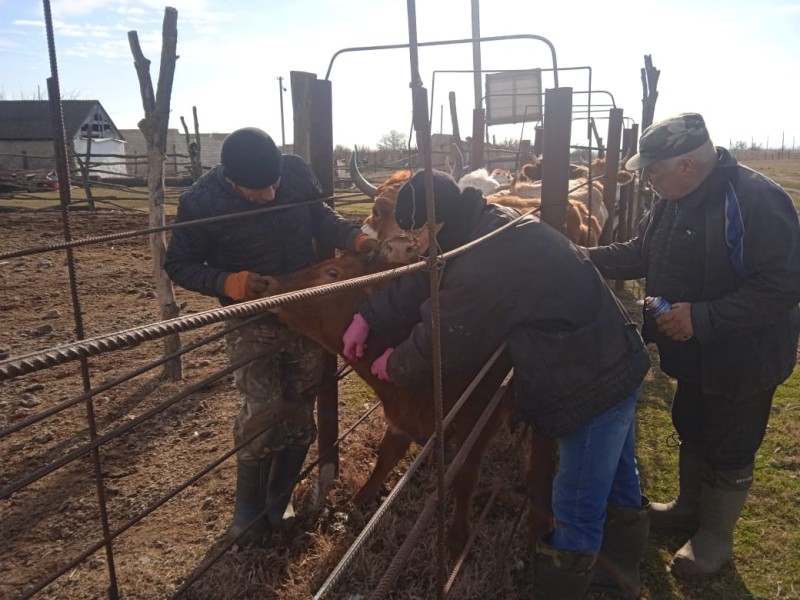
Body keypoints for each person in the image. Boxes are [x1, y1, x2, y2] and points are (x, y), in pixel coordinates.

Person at [341, 170, 652, 599]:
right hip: (611, 355)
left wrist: (395, 365)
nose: (411, 244)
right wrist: (370, 315)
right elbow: (428, 274)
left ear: (435, 226)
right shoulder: (484, 224)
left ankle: (581, 590)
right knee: (617, 477)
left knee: (576, 502)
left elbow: (443, 336)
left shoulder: (486, 264)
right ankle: (625, 573)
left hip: (588, 377)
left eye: (415, 233)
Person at [585, 112, 800, 580]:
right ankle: (687, 508)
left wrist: (701, 317)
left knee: (732, 439)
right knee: (694, 422)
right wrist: (581, 257)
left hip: (745, 355)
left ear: (686, 164)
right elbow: (643, 251)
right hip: (695, 352)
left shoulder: (756, 199)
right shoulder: (671, 199)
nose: (646, 177)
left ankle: (716, 538)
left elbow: (782, 285)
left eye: (653, 168)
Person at [164, 127, 378, 546]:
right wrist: (230, 282)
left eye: (274, 185)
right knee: (263, 408)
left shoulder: (295, 173)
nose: (269, 194)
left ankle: (280, 502)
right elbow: (179, 264)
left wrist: (353, 237)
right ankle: (248, 513)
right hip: (253, 318)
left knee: (301, 404)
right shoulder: (201, 202)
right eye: (256, 190)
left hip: (307, 311)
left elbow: (321, 217)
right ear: (228, 178)